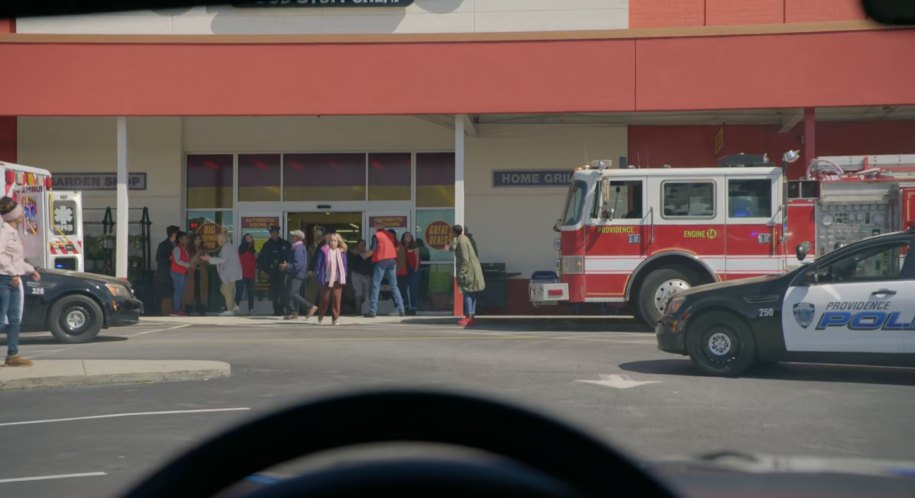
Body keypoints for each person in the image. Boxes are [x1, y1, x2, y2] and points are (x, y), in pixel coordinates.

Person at [0, 197, 40, 366]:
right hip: (4, 279)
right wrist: (12, 274)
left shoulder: (13, 231)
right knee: (2, 320)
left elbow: (16, 259)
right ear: (13, 215)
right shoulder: (3, 231)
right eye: (19, 211)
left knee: (15, 319)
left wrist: (31, 270)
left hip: (13, 278)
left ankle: (13, 355)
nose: (22, 214)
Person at [361, 219, 405, 318]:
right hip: (392, 260)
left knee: (375, 285)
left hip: (382, 261)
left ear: (376, 226)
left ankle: (372, 311)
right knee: (394, 286)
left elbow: (372, 249)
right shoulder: (391, 235)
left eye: (374, 225)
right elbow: (396, 247)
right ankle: (401, 309)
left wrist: (363, 256)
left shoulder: (377, 235)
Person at [446, 224, 485, 326]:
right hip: (472, 269)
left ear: (454, 232)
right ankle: (471, 316)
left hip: (469, 270)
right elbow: (453, 248)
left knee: (467, 292)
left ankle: (468, 316)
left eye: (451, 232)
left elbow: (464, 259)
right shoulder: (463, 238)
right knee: (472, 293)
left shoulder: (462, 241)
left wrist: (461, 273)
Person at [258, 225, 291, 316]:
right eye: (272, 233)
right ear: (270, 234)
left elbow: (290, 256)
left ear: (278, 233)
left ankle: (285, 309)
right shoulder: (267, 245)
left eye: (275, 233)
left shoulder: (285, 244)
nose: (274, 235)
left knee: (283, 292)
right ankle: (277, 310)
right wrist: (263, 269)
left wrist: (286, 265)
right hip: (272, 272)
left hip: (283, 272)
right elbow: (262, 258)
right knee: (274, 292)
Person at [283, 230, 317, 320]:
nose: (291, 237)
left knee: (292, 293)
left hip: (297, 275)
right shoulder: (296, 247)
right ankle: (293, 312)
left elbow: (298, 264)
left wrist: (287, 266)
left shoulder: (298, 248)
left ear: (297, 237)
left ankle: (310, 306)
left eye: (293, 236)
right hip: (295, 274)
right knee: (291, 293)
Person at [316, 233, 348, 325]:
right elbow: (319, 263)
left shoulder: (342, 252)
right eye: (331, 240)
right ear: (328, 242)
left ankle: (335, 318)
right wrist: (318, 273)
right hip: (327, 279)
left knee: (336, 299)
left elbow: (345, 265)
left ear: (338, 242)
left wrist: (344, 275)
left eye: (335, 241)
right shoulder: (324, 251)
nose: (333, 242)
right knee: (325, 299)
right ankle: (321, 315)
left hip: (338, 280)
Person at [209, 232, 243, 316]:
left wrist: (211, 259)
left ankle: (230, 309)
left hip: (230, 274)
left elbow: (223, 259)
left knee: (226, 290)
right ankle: (234, 307)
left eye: (218, 239)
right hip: (231, 273)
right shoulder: (228, 247)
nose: (217, 241)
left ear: (222, 239)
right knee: (224, 289)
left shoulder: (227, 247)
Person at [154, 225, 180, 315]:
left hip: (175, 272)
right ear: (173, 234)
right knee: (161, 292)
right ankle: (158, 310)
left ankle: (173, 309)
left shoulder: (177, 244)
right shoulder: (163, 245)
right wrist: (169, 258)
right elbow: (158, 259)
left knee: (174, 291)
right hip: (164, 272)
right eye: (177, 233)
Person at [184, 233, 210, 316]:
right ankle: (188, 309)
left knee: (202, 291)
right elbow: (189, 261)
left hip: (202, 272)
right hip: (192, 272)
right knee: (191, 290)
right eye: (196, 239)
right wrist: (197, 256)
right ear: (193, 240)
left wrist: (198, 260)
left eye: (199, 239)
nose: (198, 241)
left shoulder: (204, 249)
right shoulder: (188, 249)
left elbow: (207, 260)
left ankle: (202, 310)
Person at [397, 231, 420, 315]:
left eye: (410, 236)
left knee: (412, 289)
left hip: (412, 269)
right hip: (403, 270)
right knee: (402, 288)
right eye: (406, 236)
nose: (408, 237)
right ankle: (406, 306)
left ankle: (414, 308)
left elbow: (417, 257)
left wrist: (416, 267)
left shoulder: (414, 245)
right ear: (403, 237)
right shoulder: (400, 246)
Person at [348, 239, 372, 316]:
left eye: (363, 245)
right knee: (358, 292)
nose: (362, 246)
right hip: (356, 274)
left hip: (366, 276)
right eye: (360, 244)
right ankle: (358, 311)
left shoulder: (368, 254)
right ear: (357, 246)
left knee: (364, 295)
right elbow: (350, 257)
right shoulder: (354, 253)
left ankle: (357, 307)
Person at [169, 231, 190, 317]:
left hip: (182, 272)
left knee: (181, 291)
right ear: (180, 239)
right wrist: (187, 265)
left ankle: (178, 309)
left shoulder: (183, 248)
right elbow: (177, 260)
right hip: (177, 272)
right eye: (185, 238)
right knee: (178, 291)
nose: (187, 239)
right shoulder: (177, 248)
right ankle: (175, 310)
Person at [235, 233, 257, 315]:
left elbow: (254, 263)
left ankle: (251, 309)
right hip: (241, 274)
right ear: (244, 239)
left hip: (251, 274)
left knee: (251, 293)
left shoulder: (253, 250)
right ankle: (236, 308)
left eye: (250, 238)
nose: (248, 239)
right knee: (239, 292)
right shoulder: (241, 248)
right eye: (247, 238)